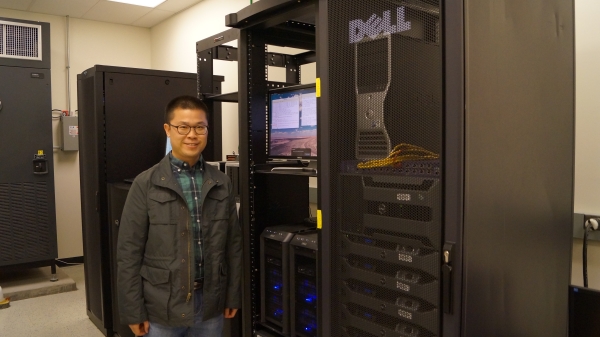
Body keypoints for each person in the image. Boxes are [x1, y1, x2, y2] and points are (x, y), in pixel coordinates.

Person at [117, 95, 242, 336]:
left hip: (210, 304)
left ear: (207, 130)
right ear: (168, 129)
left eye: (199, 127)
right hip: (162, 307)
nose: (192, 135)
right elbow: (128, 252)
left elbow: (233, 247)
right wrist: (134, 311)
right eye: (183, 127)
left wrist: (232, 295)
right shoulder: (146, 183)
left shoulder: (221, 183)